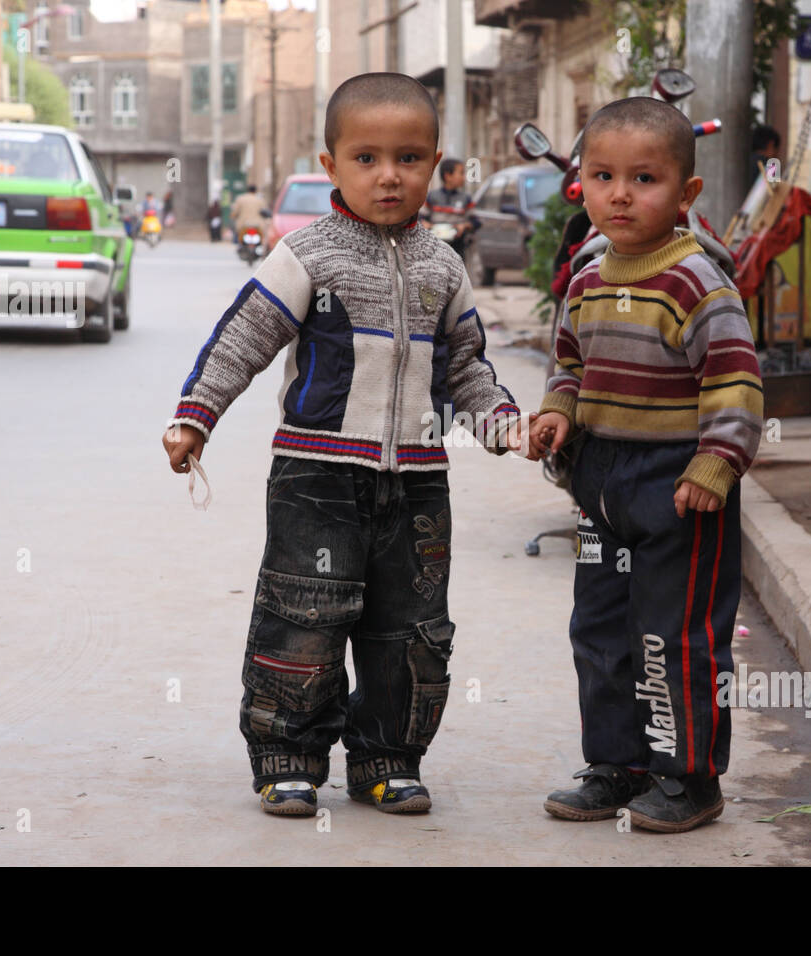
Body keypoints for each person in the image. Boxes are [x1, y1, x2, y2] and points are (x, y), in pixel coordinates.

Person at [161, 72, 524, 818]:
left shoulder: (444, 265)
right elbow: (245, 339)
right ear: (330, 165)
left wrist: (502, 424)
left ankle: (388, 758)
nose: (388, 175)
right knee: (305, 618)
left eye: (409, 158)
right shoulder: (309, 256)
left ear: (434, 163)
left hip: (417, 486)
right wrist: (197, 415)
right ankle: (289, 757)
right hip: (316, 478)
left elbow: (466, 367)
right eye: (366, 158)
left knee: (411, 631)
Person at [527, 96, 763, 833]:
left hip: (678, 487)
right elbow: (569, 364)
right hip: (601, 485)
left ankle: (688, 776)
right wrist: (558, 414)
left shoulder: (698, 281)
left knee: (673, 635)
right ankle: (617, 764)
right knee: (599, 630)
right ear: (583, 186)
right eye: (603, 176)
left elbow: (734, 380)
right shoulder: (588, 279)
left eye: (644, 179)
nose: (620, 194)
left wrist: (716, 464)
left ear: (686, 193)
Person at [420, 158, 476, 258]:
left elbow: (475, 222)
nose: (464, 177)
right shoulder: (432, 196)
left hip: (458, 246)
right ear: (448, 176)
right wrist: (425, 223)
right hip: (435, 247)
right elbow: (421, 218)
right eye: (461, 173)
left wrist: (464, 226)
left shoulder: (466, 198)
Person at [229, 184, 265, 249]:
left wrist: (233, 216)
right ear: (255, 191)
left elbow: (235, 212)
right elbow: (264, 211)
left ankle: (238, 243)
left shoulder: (240, 199)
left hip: (243, 224)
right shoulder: (260, 200)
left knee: (237, 236)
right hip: (258, 224)